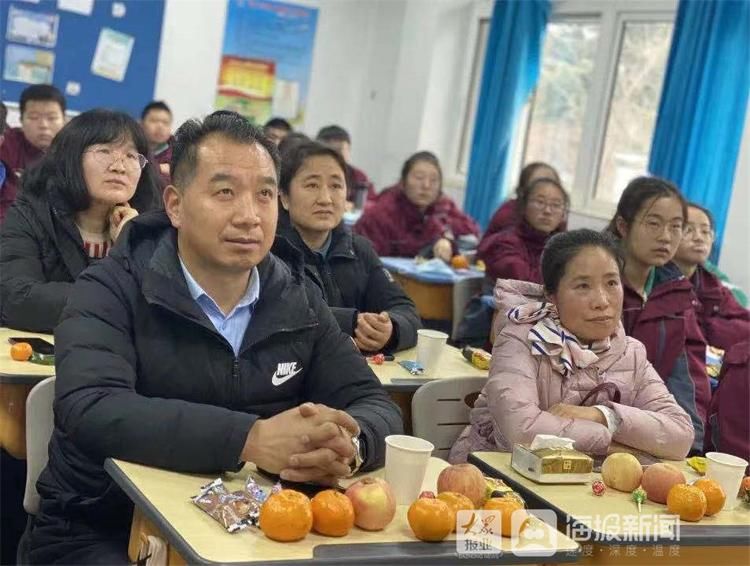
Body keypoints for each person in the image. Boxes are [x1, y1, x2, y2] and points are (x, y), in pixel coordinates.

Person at [26, 112, 402, 564]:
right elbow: (92, 407)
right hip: (103, 528)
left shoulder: (296, 299)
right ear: (175, 205)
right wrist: (250, 439)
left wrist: (349, 446)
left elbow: (374, 402)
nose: (248, 215)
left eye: (264, 193)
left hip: (253, 532)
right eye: (225, 192)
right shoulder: (112, 287)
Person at [449, 229, 694, 463]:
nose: (602, 301)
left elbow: (681, 435)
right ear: (552, 296)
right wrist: (613, 445)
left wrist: (604, 415)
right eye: (583, 286)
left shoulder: (631, 353)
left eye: (611, 283)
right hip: (497, 479)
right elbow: (521, 432)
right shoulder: (521, 339)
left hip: (583, 489)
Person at [0, 109, 161, 333]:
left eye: (131, 156)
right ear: (71, 158)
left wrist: (128, 246)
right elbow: (16, 300)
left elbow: (165, 307)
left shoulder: (150, 226)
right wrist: (118, 299)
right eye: (105, 151)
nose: (119, 166)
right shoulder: (31, 214)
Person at [276, 141, 420, 352]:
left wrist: (391, 329)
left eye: (336, 186)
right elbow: (286, 312)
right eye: (312, 185)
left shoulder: (358, 249)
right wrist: (354, 323)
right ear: (285, 197)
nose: (325, 199)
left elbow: (406, 309)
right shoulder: (271, 251)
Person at [606, 176, 709, 453]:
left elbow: (688, 381)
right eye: (654, 223)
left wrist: (693, 448)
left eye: (676, 226)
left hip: (648, 434)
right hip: (591, 427)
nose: (666, 236)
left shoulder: (676, 295)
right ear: (623, 225)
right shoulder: (595, 283)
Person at [354, 151, 480, 260]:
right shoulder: (381, 215)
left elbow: (470, 228)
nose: (426, 185)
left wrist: (445, 241)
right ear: (403, 182)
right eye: (419, 177)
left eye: (434, 180)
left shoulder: (437, 212)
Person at [672, 203, 749, 352]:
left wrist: (708, 326)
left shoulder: (711, 283)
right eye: (688, 230)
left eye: (706, 231)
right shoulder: (656, 280)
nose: (699, 238)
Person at [478, 177, 568, 284]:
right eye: (540, 202)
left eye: (556, 205)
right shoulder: (505, 243)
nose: (547, 211)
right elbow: (526, 286)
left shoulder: (560, 246)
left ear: (563, 214)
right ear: (524, 206)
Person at [0, 84, 66, 222]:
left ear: (64, 120)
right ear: (21, 121)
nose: (43, 125)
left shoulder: (75, 154)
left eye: (52, 118)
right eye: (34, 117)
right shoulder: (5, 145)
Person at [485, 161, 561, 237]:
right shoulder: (508, 217)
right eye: (537, 184)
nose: (546, 189)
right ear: (522, 192)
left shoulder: (556, 216)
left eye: (551, 184)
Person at [316, 125, 376, 209]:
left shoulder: (359, 176)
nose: (335, 156)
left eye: (339, 150)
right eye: (329, 151)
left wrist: (354, 206)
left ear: (349, 150)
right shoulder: (310, 174)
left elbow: (372, 205)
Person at [141, 100, 174, 184]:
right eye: (154, 121)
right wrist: (159, 168)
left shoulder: (177, 154)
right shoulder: (132, 148)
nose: (160, 126)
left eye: (165, 123)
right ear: (141, 124)